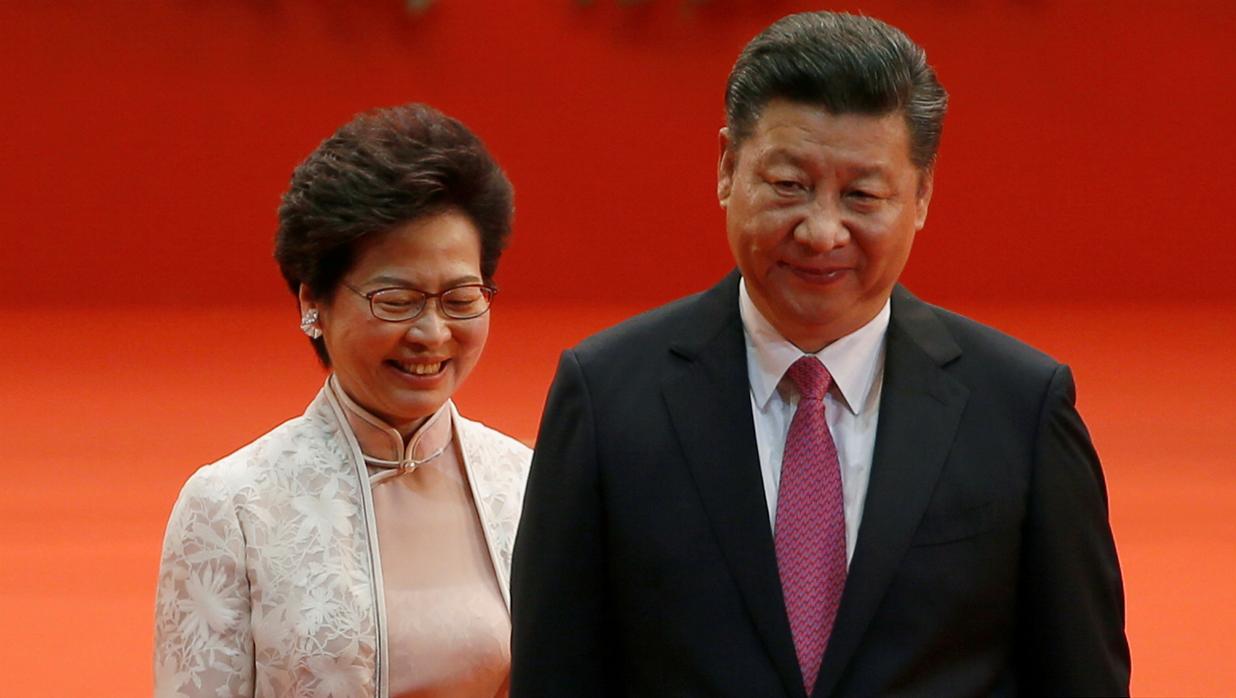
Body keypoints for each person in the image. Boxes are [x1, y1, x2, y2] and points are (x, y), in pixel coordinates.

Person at [511, 11, 1129, 697]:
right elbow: (555, 673)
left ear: (921, 195)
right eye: (789, 186)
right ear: (726, 168)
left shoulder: (1020, 409)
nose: (821, 230)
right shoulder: (606, 399)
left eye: (862, 195)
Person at [153, 103, 530, 697]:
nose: (432, 334)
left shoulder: (528, 487)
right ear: (314, 302)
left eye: (459, 299)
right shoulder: (233, 509)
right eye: (397, 299)